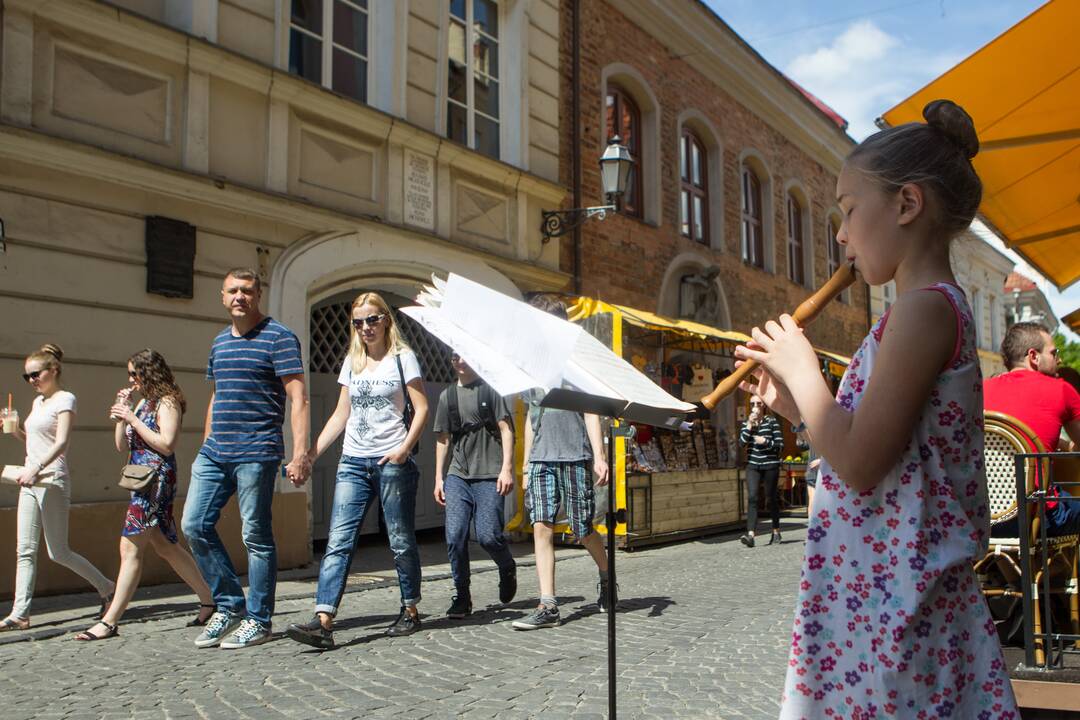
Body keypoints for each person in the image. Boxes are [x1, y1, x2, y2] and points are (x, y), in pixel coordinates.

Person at [735, 100, 1019, 717]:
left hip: (899, 602)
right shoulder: (912, 314)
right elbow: (874, 451)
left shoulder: (925, 311)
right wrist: (795, 402)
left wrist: (803, 368)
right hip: (884, 593)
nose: (840, 234)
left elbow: (861, 463)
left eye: (848, 209)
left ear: (906, 204)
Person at [286, 292, 428, 649]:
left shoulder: (403, 358)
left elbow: (422, 408)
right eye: (359, 322)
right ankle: (324, 621)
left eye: (372, 319)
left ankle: (410, 609)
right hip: (353, 461)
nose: (366, 327)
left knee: (399, 540)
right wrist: (309, 455)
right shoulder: (353, 360)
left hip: (391, 462)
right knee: (338, 541)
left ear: (386, 321)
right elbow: (340, 414)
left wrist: (403, 449)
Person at [182, 268, 310, 650]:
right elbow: (217, 395)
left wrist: (300, 453)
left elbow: (298, 398)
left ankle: (259, 620)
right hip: (215, 452)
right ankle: (228, 605)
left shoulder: (279, 338)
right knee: (194, 525)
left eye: (248, 291)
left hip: (257, 451)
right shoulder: (220, 342)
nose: (240, 296)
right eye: (233, 291)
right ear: (223, 297)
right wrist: (206, 444)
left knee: (255, 535)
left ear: (258, 296)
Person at [75, 350, 216, 640]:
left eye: (134, 374)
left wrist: (133, 419)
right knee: (166, 546)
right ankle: (210, 600)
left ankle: (110, 620)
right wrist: (121, 416)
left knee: (130, 548)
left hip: (156, 481)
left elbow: (167, 444)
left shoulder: (168, 402)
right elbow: (121, 446)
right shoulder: (143, 403)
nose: (130, 379)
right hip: (139, 480)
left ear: (148, 372)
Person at [511, 294, 611, 631]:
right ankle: (548, 605)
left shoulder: (575, 363)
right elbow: (529, 416)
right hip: (541, 458)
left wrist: (598, 455)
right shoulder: (531, 365)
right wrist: (525, 463)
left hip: (574, 454)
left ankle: (606, 575)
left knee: (582, 530)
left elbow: (591, 411)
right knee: (541, 526)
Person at [1, 344, 115, 631]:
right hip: (29, 479)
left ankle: (107, 587)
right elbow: (35, 442)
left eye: (35, 374)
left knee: (58, 551)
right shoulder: (37, 403)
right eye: (26, 377)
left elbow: (61, 442)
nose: (31, 381)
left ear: (53, 371)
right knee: (24, 550)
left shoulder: (66, 398)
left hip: (51, 479)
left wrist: (36, 468)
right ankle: (20, 613)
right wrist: (16, 432)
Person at [433, 353, 517, 618]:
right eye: (455, 355)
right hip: (459, 475)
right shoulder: (448, 396)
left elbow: (506, 429)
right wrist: (439, 477)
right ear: (450, 360)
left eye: (465, 355)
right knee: (455, 536)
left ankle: (506, 566)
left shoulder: (490, 389)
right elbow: (443, 440)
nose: (460, 360)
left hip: (491, 474)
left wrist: (507, 468)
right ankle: (462, 595)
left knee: (488, 535)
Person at [984, 322, 1080, 537]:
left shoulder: (979, 390)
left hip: (981, 517)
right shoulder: (1061, 389)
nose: (1060, 359)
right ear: (1034, 356)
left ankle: (1009, 569)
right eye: (1054, 353)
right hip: (1038, 517)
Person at [737, 398, 784, 548]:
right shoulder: (747, 423)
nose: (755, 406)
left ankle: (776, 531)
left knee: (770, 499)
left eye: (758, 403)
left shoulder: (772, 422)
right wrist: (750, 425)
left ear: (764, 405)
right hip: (753, 465)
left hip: (770, 464)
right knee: (752, 497)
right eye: (752, 404)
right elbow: (742, 443)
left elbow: (780, 445)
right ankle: (751, 535)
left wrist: (766, 441)